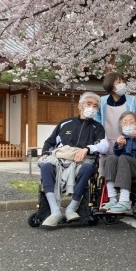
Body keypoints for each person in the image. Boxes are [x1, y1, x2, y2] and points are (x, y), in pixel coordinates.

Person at [40, 92, 109, 228]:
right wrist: (45, 154)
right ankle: (55, 211)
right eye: (89, 104)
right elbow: (50, 142)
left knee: (87, 168)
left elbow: (104, 146)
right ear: (80, 106)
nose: (92, 108)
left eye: (95, 106)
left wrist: (87, 149)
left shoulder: (97, 127)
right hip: (61, 159)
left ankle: (71, 208)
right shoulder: (65, 123)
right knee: (46, 166)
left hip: (82, 161)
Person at [100, 111, 136, 214]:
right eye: (125, 123)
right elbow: (116, 158)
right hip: (123, 170)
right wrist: (119, 146)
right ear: (121, 127)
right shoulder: (122, 139)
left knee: (124, 158)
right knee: (110, 158)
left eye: (131, 122)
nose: (128, 125)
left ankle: (125, 201)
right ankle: (113, 200)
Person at [94, 72, 136, 176]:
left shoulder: (132, 101)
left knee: (122, 164)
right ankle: (108, 184)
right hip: (107, 137)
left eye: (123, 81)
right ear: (110, 85)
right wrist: (99, 128)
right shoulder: (102, 101)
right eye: (119, 82)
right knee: (106, 166)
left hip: (127, 140)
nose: (122, 84)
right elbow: (97, 115)